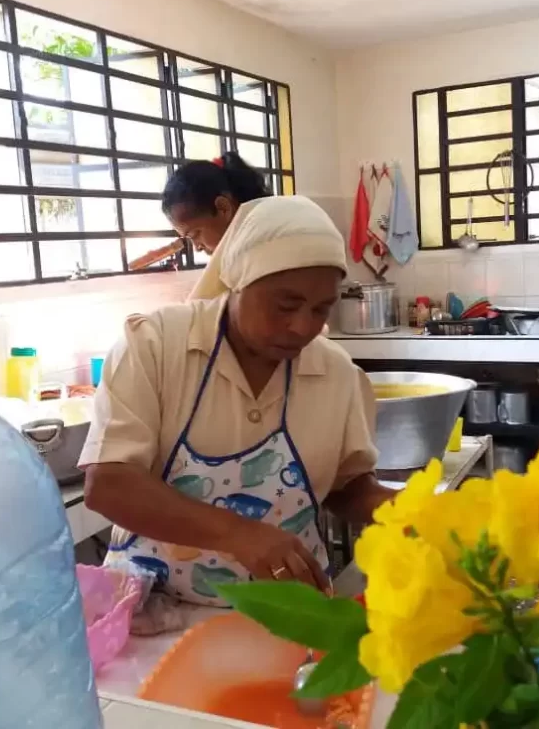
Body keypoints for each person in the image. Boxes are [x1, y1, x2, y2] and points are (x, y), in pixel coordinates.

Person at [80, 196, 394, 606]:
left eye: (320, 309)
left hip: (287, 617)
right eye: (286, 305)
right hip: (152, 616)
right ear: (238, 282)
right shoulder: (156, 344)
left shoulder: (335, 371)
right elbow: (109, 485)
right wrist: (238, 533)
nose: (303, 327)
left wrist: (403, 511)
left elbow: (346, 486)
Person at [162, 152, 270, 301]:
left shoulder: (256, 247)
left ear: (223, 208)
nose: (197, 247)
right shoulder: (271, 216)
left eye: (195, 234)